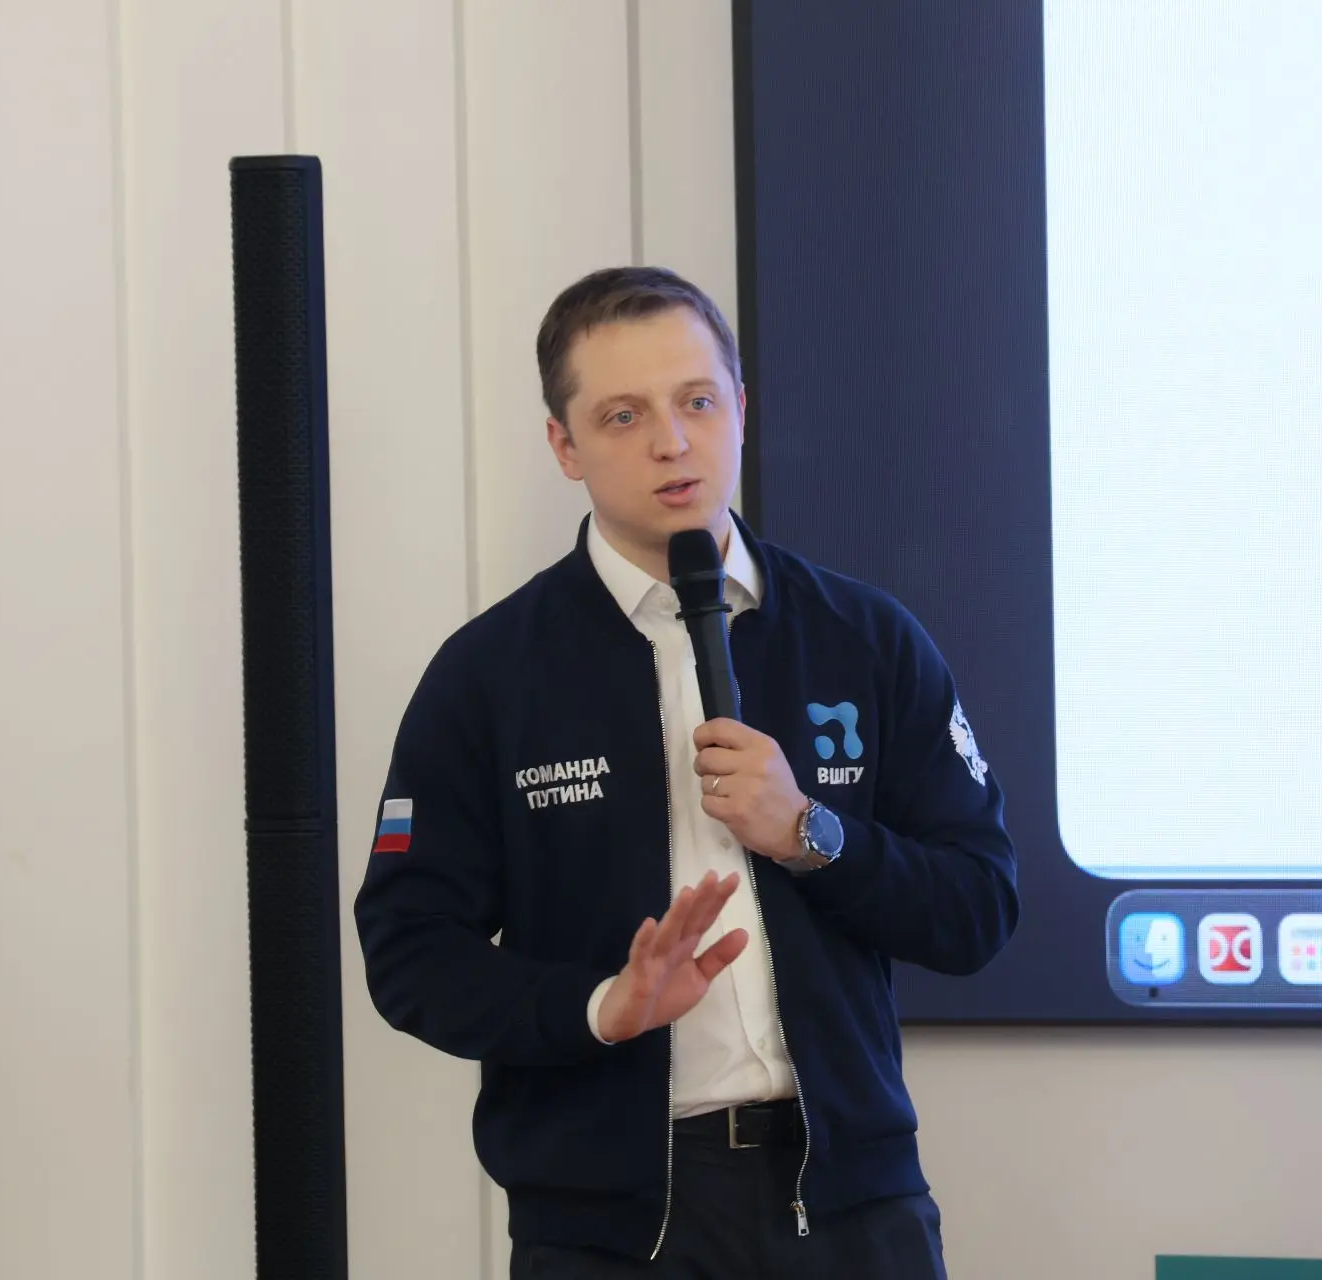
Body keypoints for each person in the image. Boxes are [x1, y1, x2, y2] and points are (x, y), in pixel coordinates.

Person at [352, 266, 1019, 1278]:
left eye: (697, 402)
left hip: (849, 1206)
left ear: (741, 408)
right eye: (623, 416)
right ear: (564, 446)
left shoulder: (865, 638)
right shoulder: (489, 674)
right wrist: (599, 1007)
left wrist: (811, 834)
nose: (671, 442)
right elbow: (410, 952)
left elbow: (978, 906)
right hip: (610, 1231)